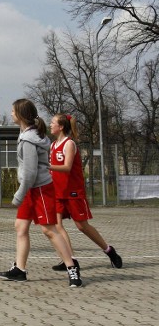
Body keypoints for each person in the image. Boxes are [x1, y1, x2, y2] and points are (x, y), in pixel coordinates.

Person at [0, 99, 82, 288]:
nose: (10, 114)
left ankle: (72, 267)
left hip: (40, 189)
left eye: (13, 111)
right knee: (20, 227)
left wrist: (19, 194)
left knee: (49, 229)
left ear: (20, 115)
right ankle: (20, 269)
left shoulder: (29, 139)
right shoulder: (29, 134)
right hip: (32, 189)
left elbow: (30, 173)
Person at [49, 113, 123, 270]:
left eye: (52, 122)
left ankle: (109, 251)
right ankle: (70, 260)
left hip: (73, 192)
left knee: (82, 226)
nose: (50, 125)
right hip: (57, 192)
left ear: (61, 126)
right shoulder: (53, 145)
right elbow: (53, 171)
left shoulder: (69, 144)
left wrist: (45, 166)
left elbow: (67, 167)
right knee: (56, 225)